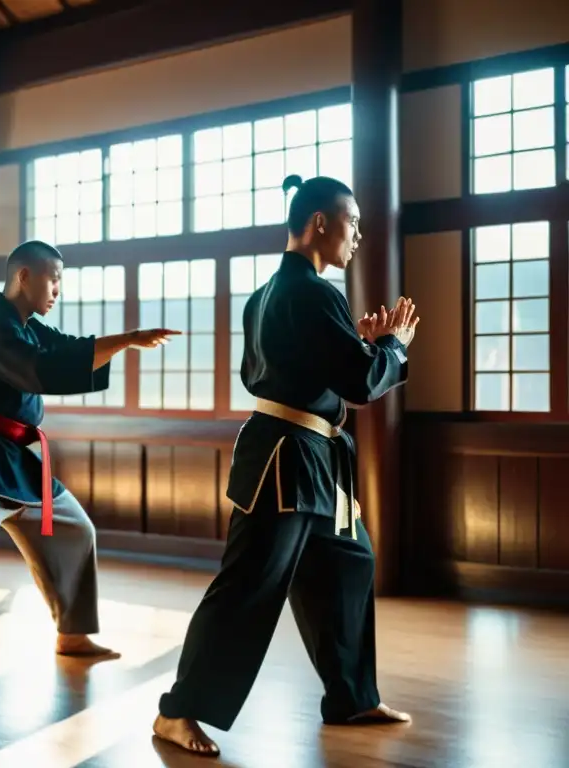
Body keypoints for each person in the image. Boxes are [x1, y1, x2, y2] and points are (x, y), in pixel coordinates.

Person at [152, 175, 419, 756]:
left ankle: (350, 696)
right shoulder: (315, 293)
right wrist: (391, 349)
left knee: (351, 560)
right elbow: (360, 382)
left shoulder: (270, 293)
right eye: (351, 222)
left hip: (306, 454)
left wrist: (363, 349)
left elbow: (300, 372)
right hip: (286, 460)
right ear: (320, 222)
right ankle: (178, 712)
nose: (358, 236)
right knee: (249, 583)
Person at [0, 240, 180, 698]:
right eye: (53, 279)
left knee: (76, 530)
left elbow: (73, 350)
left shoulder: (30, 326)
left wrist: (127, 340)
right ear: (24, 277)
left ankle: (72, 633)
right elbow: (43, 370)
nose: (57, 290)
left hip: (22, 460)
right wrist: (127, 341)